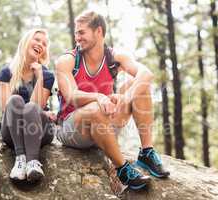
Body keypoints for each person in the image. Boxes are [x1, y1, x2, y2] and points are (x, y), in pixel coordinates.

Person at [55, 10, 169, 190]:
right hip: (73, 128)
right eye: (76, 33)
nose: (77, 37)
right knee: (94, 108)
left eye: (81, 32)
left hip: (104, 123)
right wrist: (99, 97)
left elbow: (146, 73)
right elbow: (71, 95)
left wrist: (126, 98)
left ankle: (147, 152)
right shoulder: (67, 60)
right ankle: (123, 169)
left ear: (98, 31)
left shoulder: (114, 57)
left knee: (139, 83)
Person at [0, 28, 55, 182]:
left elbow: (37, 108)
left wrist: (39, 77)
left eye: (44, 44)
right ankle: (21, 159)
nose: (40, 44)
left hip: (39, 130)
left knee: (31, 107)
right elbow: (6, 108)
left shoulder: (47, 76)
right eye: (37, 40)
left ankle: (33, 162)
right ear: (26, 42)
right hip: (12, 130)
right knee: (15, 100)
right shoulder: (6, 73)